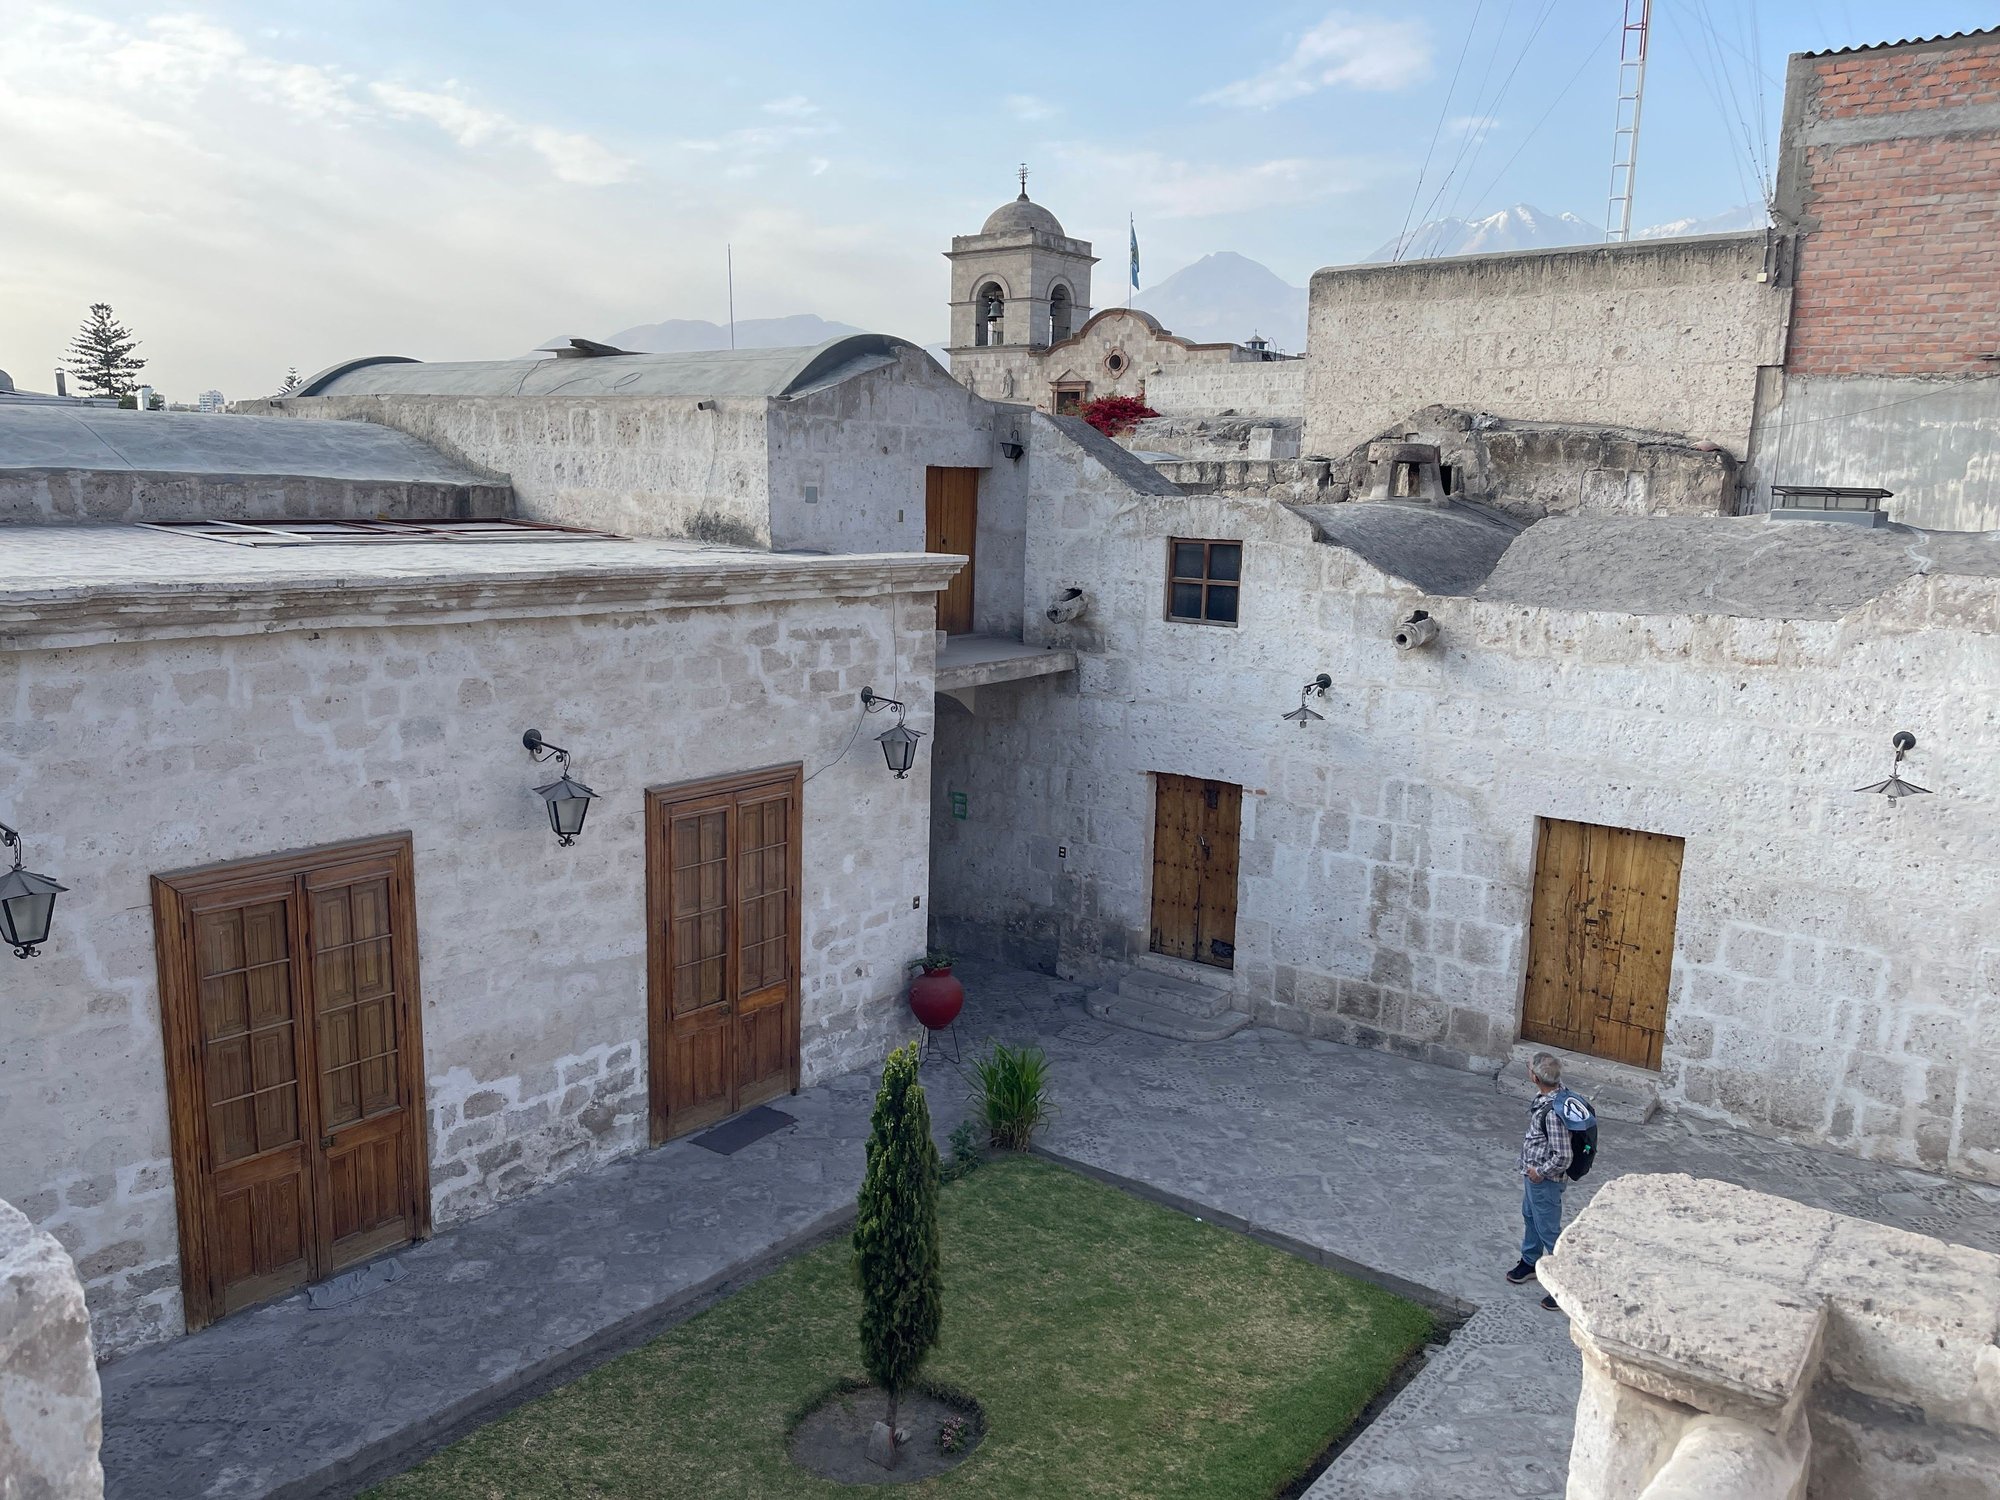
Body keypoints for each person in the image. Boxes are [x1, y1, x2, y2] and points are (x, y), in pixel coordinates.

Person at [1506, 1051, 1571, 1310]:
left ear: (1534, 1077)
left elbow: (1563, 1155)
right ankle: (1530, 1261)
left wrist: (1540, 1172)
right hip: (1534, 1178)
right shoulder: (1554, 1095)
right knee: (1530, 1216)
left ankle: (1563, 1285)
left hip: (1544, 1180)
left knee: (1549, 1231)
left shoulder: (1553, 1113)